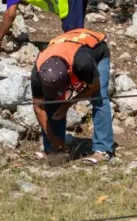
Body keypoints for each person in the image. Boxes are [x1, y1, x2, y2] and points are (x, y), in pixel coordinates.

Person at [30, 28, 113, 164]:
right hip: (63, 47)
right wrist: (52, 138)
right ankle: (54, 148)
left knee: (99, 97)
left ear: (69, 73)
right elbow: (39, 107)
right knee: (50, 102)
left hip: (94, 48)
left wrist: (67, 104)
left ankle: (103, 149)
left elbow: (94, 87)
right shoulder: (38, 73)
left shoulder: (83, 64)